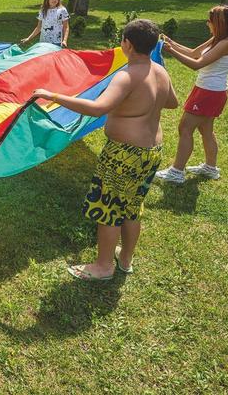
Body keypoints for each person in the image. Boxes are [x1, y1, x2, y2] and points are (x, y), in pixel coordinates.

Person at [33, 19, 179, 280]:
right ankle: (125, 260)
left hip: (125, 154)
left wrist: (52, 95)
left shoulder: (127, 75)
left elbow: (98, 108)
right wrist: (143, 104)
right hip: (152, 152)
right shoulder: (160, 71)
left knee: (109, 208)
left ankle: (102, 267)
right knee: (133, 207)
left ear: (127, 44)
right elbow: (172, 102)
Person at [155, 5, 228, 184]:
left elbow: (197, 63)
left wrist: (170, 51)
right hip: (210, 90)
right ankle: (210, 168)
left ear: (219, 23)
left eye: (210, 21)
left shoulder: (227, 43)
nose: (207, 23)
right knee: (206, 130)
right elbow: (194, 53)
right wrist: (171, 43)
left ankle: (177, 171)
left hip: (209, 92)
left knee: (185, 128)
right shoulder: (220, 39)